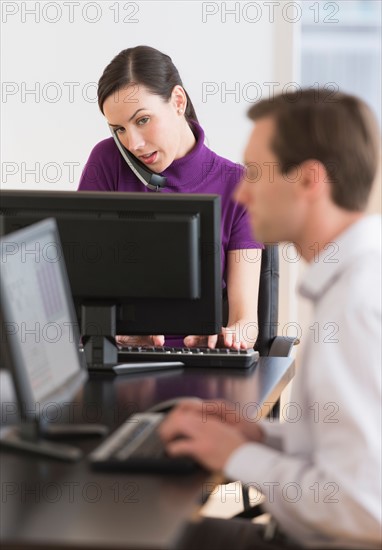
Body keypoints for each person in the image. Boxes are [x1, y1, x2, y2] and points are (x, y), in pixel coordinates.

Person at [159, 89, 382, 549]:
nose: (241, 192)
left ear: (309, 181)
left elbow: (364, 508)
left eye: (256, 175)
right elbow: (343, 453)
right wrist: (260, 435)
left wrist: (237, 455)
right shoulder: (353, 278)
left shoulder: (357, 306)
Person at [78, 45, 262, 349]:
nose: (133, 143)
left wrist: (228, 338)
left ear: (178, 101)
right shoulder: (107, 162)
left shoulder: (237, 186)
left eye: (142, 120)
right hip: (119, 359)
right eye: (119, 129)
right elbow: (78, 291)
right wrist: (116, 335)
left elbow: (246, 322)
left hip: (200, 362)